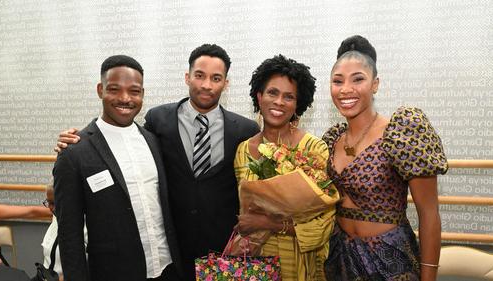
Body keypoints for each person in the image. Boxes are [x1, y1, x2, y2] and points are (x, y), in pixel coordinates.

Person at [55, 45, 259, 280]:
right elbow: (70, 231)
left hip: (214, 254)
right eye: (199, 75)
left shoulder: (245, 130)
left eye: (216, 78)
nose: (206, 85)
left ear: (226, 82)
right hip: (156, 257)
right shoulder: (158, 121)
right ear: (187, 77)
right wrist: (70, 144)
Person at [322, 35, 448, 281]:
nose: (346, 89)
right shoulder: (332, 139)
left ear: (375, 83)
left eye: (358, 79)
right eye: (338, 81)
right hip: (340, 261)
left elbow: (429, 213)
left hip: (390, 262)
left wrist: (429, 277)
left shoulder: (402, 131)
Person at [53, 55, 182, 281]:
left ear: (142, 94)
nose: (125, 98)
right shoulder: (75, 152)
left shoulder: (153, 140)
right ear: (100, 89)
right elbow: (69, 235)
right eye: (114, 89)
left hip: (167, 268)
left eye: (134, 91)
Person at [233, 54, 336, 281]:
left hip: (299, 263)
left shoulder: (314, 148)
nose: (279, 102)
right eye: (272, 93)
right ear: (259, 96)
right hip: (254, 264)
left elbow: (324, 222)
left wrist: (269, 223)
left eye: (288, 96)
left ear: (298, 104)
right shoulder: (242, 151)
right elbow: (246, 211)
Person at [39, 183, 87, 280]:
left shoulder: (87, 226)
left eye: (54, 203)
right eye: (48, 203)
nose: (51, 208)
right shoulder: (58, 215)